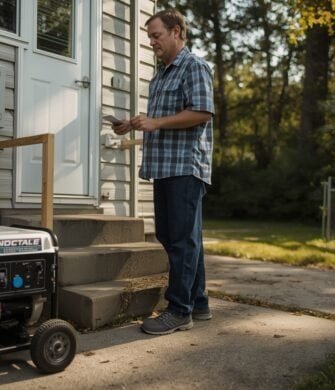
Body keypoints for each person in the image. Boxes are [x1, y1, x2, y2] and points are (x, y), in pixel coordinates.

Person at [112, 9, 214, 335]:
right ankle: (198, 302)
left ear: (177, 32)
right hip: (164, 167)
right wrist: (132, 124)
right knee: (176, 238)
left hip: (186, 166)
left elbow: (201, 112)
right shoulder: (161, 76)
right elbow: (161, 118)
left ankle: (179, 310)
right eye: (149, 37)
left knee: (182, 241)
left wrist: (155, 122)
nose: (152, 42)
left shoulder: (194, 67)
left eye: (156, 35)